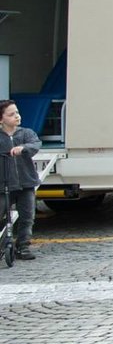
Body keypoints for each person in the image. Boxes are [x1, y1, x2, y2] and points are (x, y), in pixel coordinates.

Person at [0, 100, 41, 260]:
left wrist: (23, 148)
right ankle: (5, 242)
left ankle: (23, 246)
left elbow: (35, 144)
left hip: (26, 183)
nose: (17, 116)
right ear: (1, 119)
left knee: (27, 216)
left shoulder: (25, 133)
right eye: (11, 114)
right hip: (4, 184)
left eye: (17, 112)